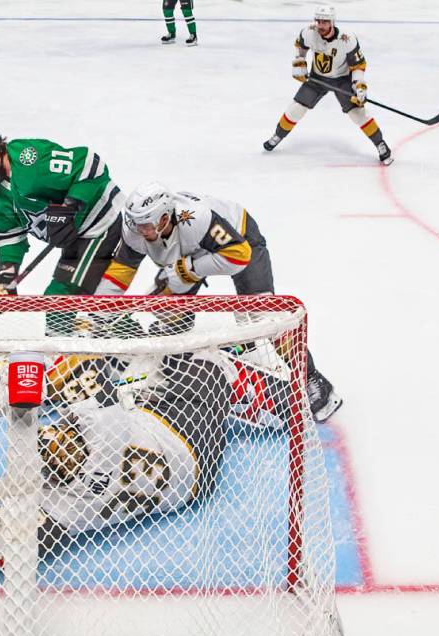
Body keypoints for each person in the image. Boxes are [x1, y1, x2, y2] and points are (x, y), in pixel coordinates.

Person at [0, 352, 231, 574]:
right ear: (77, 463)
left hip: (171, 461)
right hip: (188, 443)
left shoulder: (63, 503)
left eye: (53, 438)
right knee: (204, 359)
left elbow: (22, 536)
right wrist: (26, 383)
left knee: (132, 370)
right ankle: (245, 381)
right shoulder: (101, 442)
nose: (56, 434)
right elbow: (106, 396)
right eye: (63, 442)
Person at [94, 181, 343, 422]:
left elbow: (239, 254)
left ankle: (313, 378)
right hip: (190, 253)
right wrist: (99, 310)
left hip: (240, 239)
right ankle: (173, 375)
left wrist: (187, 269)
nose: (139, 230)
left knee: (264, 316)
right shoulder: (136, 228)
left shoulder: (196, 218)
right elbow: (122, 269)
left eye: (145, 225)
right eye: (135, 224)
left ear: (163, 218)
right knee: (167, 312)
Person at [0, 124, 124, 334]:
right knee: (61, 301)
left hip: (99, 223)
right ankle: (77, 348)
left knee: (59, 300)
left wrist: (71, 205)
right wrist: (7, 275)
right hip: (75, 239)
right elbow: (9, 238)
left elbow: (91, 165)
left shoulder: (30, 160)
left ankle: (74, 352)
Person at [262, 4, 392, 165]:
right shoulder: (309, 32)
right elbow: (300, 47)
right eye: (318, 21)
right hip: (318, 78)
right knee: (296, 108)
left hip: (342, 79)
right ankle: (278, 135)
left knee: (358, 113)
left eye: (325, 22)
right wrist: (300, 62)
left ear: (332, 22)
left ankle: (380, 143)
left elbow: (358, 65)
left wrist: (359, 86)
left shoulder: (347, 39)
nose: (321, 25)